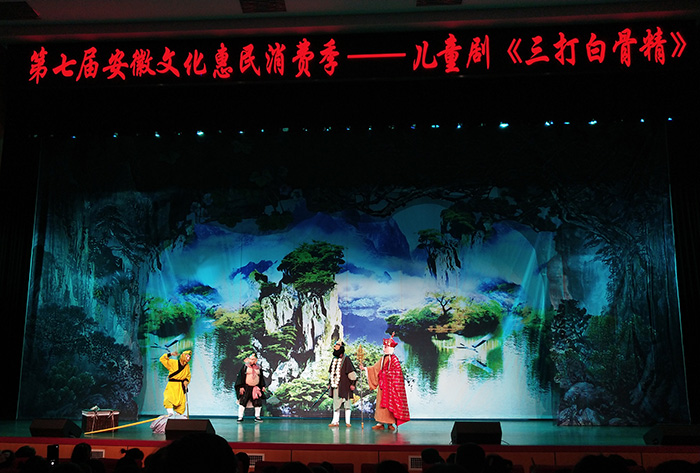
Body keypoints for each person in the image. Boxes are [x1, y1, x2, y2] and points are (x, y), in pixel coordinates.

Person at [363, 333, 410, 430]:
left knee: (390, 405)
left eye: (386, 347)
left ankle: (390, 423)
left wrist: (387, 375)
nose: (384, 349)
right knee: (380, 403)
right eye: (384, 347)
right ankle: (380, 423)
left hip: (390, 387)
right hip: (382, 386)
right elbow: (375, 369)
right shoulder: (383, 358)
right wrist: (365, 369)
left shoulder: (394, 360)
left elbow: (397, 374)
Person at [327, 340, 358, 428]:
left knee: (347, 404)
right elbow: (331, 373)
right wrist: (329, 383)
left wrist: (353, 383)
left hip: (345, 385)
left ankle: (348, 422)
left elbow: (351, 373)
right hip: (336, 385)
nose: (335, 346)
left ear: (341, 347)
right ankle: (335, 421)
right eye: (335, 345)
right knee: (336, 404)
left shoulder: (346, 359)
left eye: (337, 345)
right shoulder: (334, 359)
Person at [235, 353, 267, 422]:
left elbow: (261, 378)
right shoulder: (245, 367)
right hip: (246, 387)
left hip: (256, 388)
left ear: (256, 360)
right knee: (243, 401)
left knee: (257, 402)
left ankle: (257, 417)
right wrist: (241, 386)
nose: (252, 361)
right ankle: (240, 417)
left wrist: (263, 386)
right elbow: (240, 377)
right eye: (251, 359)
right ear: (249, 360)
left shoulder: (259, 368)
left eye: (253, 359)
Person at [159, 350, 192, 416]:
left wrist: (186, 380)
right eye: (187, 356)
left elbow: (188, 375)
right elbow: (162, 359)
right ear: (183, 356)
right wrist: (170, 354)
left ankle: (178, 416)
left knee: (182, 402)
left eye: (189, 357)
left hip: (180, 387)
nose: (188, 358)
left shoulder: (187, 366)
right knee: (168, 398)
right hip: (172, 385)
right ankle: (170, 413)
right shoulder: (173, 363)